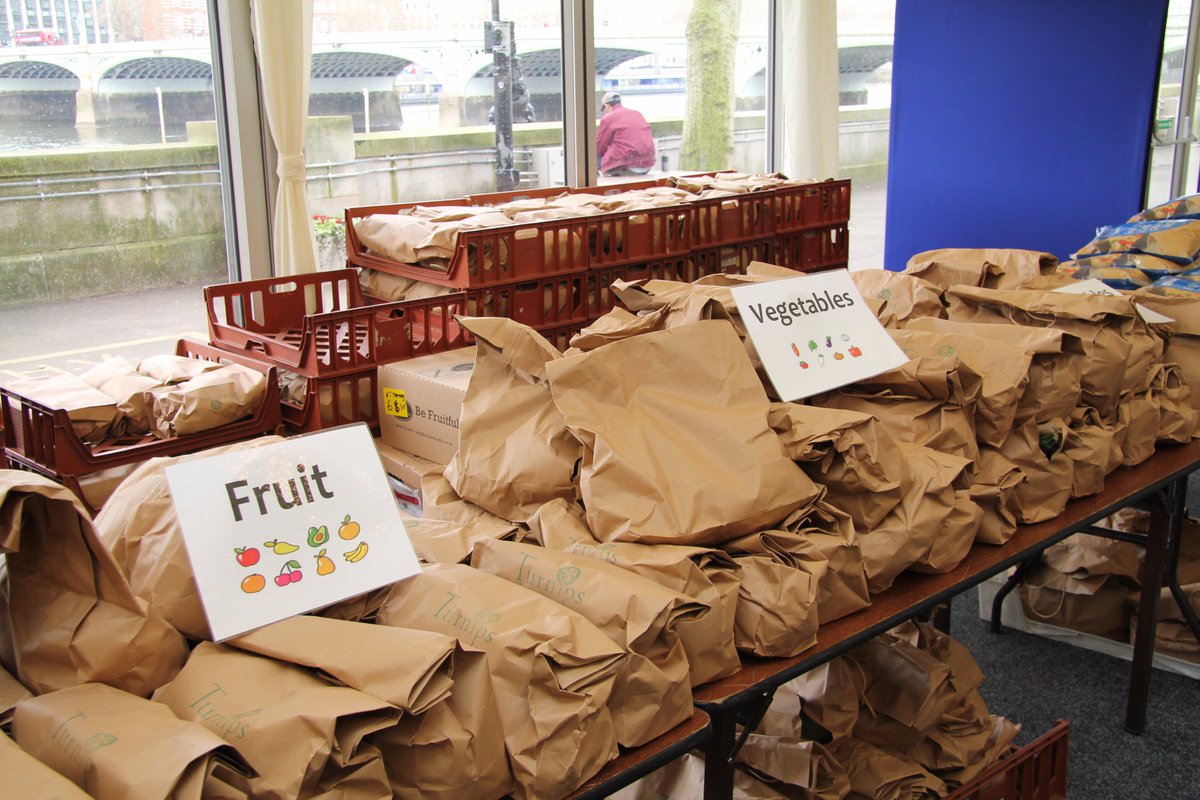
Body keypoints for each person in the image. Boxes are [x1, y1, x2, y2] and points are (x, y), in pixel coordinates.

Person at [596, 91, 655, 177]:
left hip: (624, 164)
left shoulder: (608, 118)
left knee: (593, 158)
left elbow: (600, 146)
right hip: (647, 163)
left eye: (604, 109)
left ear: (607, 106)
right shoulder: (637, 114)